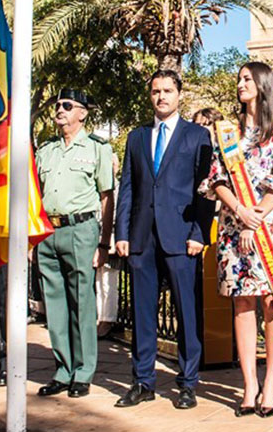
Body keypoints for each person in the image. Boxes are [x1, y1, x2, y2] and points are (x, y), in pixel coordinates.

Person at [200, 62, 273, 418]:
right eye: (239, 78)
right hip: (233, 226)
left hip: (268, 227)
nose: (240, 84)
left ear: (262, 84)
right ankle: (249, 384)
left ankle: (271, 381)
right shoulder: (227, 131)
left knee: (272, 303)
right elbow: (216, 177)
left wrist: (253, 217)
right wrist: (240, 213)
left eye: (246, 79)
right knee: (242, 305)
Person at [114, 70, 213, 410]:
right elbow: (128, 186)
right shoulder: (137, 137)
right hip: (142, 237)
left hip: (182, 238)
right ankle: (143, 381)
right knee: (142, 313)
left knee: (187, 312)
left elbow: (206, 192)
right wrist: (122, 233)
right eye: (156, 91)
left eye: (167, 90)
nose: (161, 97)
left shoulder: (197, 136)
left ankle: (187, 383)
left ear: (179, 94)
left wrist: (199, 234)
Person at [34, 89, 115, 398]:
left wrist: (103, 242)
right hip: (48, 232)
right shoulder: (46, 149)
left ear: (83, 113)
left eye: (67, 106)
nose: (60, 110)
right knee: (53, 306)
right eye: (57, 105)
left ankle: (83, 371)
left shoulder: (97, 148)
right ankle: (63, 369)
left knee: (82, 303)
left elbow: (107, 197)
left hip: (81, 230)